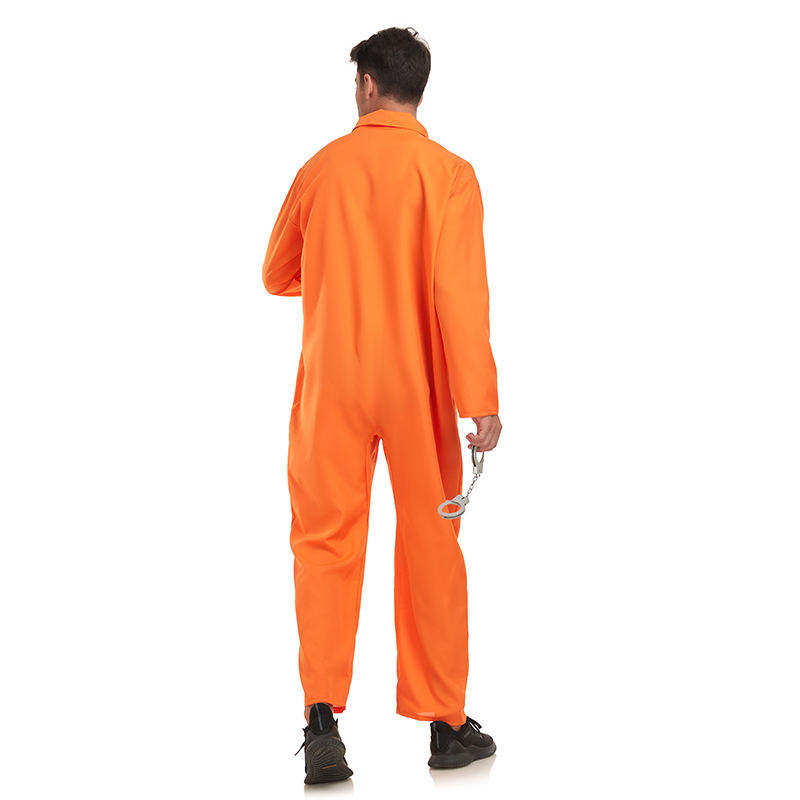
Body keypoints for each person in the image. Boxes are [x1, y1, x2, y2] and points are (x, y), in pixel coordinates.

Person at [263, 27, 502, 784]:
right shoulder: (450, 174)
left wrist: (342, 272)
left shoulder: (320, 169)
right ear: (415, 88)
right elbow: (459, 295)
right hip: (417, 384)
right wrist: (480, 399)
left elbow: (276, 273)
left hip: (333, 383)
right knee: (432, 545)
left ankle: (321, 722)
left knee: (324, 542)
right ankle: (446, 725)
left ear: (367, 83)